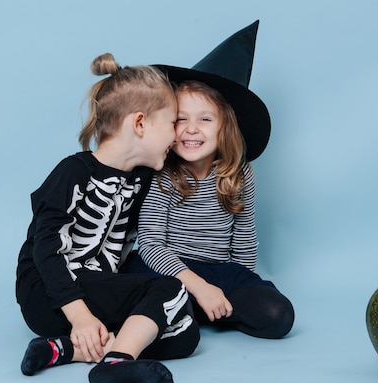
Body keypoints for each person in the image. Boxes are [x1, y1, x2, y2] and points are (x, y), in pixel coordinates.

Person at [15, 53, 200, 383]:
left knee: (187, 334)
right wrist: (80, 316)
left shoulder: (142, 179)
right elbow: (45, 248)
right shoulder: (73, 171)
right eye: (173, 122)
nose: (177, 135)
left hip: (94, 296)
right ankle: (115, 363)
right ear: (140, 124)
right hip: (48, 294)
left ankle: (63, 350)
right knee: (170, 290)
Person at [122, 21, 295, 339]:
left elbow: (243, 241)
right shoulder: (164, 173)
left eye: (204, 119)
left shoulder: (239, 175)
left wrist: (236, 284)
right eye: (181, 119)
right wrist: (198, 286)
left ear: (224, 127)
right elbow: (150, 243)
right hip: (163, 264)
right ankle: (186, 307)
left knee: (278, 315)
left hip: (218, 269)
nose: (191, 129)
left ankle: (195, 310)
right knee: (153, 292)